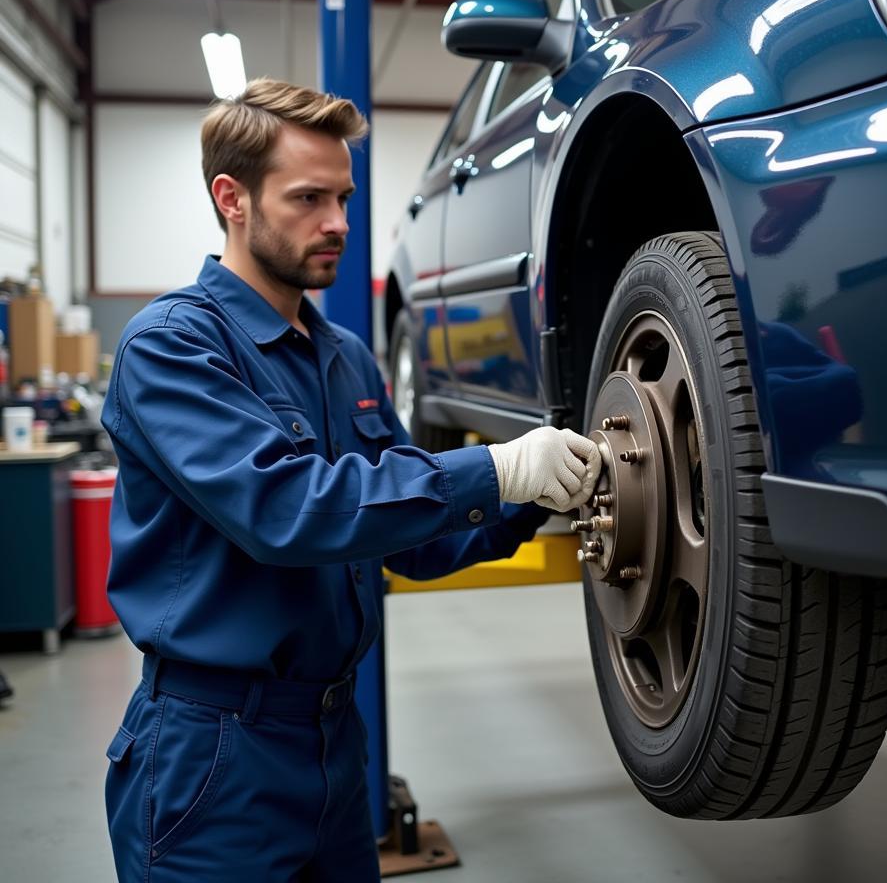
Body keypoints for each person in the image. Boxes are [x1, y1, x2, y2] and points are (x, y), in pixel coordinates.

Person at [100, 78, 600, 882]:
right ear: (232, 198)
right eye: (308, 198)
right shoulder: (172, 347)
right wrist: (496, 465)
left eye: (343, 196)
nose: (338, 223)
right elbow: (286, 510)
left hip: (335, 746)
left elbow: (411, 545)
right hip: (215, 752)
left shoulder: (346, 358)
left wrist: (527, 501)